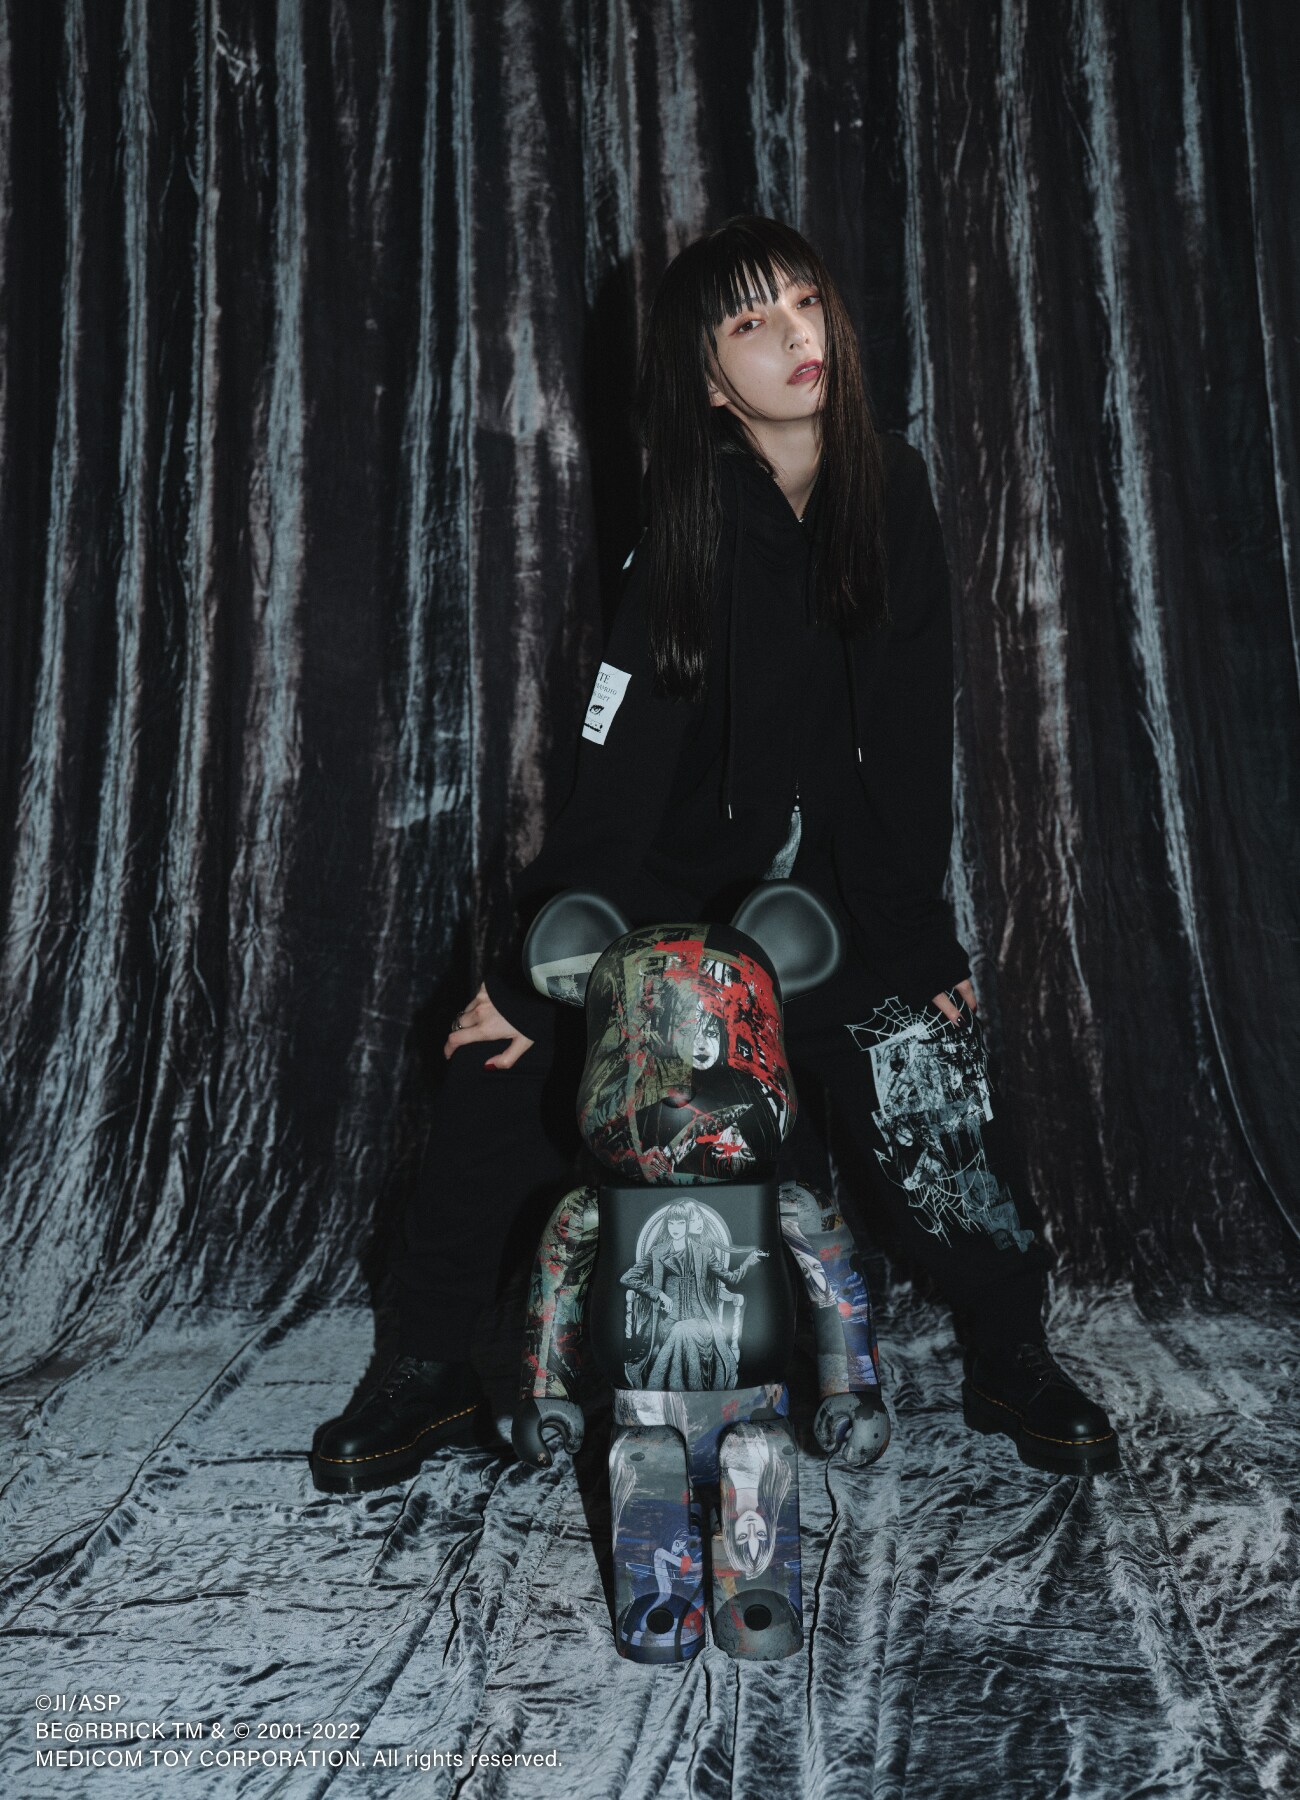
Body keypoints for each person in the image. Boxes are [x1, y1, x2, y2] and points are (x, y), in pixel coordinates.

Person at [310, 215, 1119, 1494]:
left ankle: (1008, 1345)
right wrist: (529, 979)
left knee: (927, 1059)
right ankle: (427, 1366)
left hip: (832, 905)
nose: (797, 333)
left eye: (805, 300)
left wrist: (919, 944)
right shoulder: (687, 523)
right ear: (706, 380)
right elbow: (617, 769)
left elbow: (913, 744)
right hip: (666, 900)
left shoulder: (892, 493)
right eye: (752, 320)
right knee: (497, 1068)